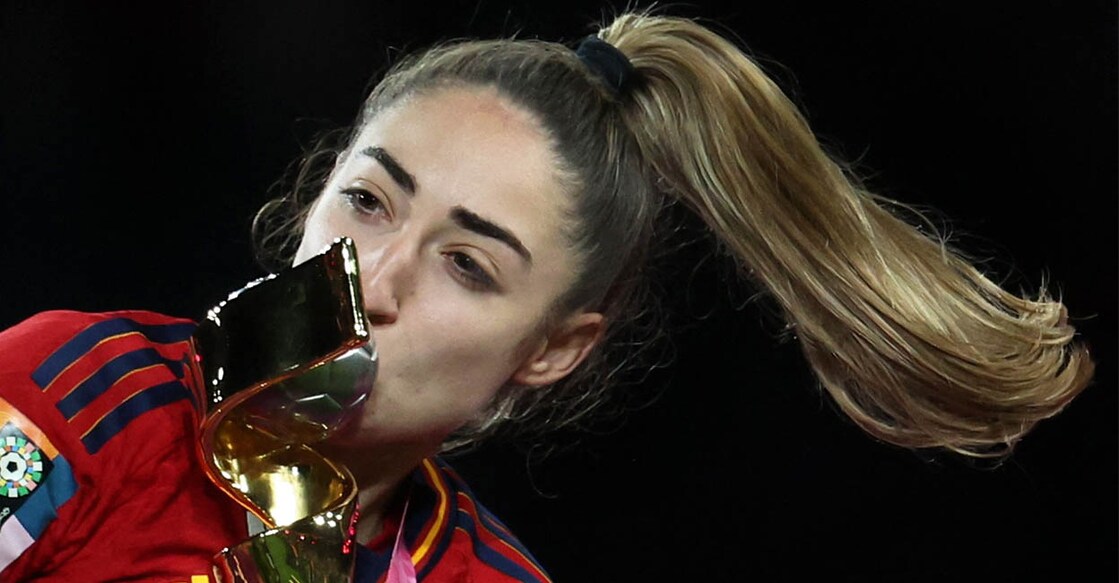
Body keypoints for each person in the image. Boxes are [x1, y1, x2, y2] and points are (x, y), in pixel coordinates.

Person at [0, 8, 1097, 582]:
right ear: (314, 189)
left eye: (468, 265)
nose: (373, 281)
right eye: (371, 201)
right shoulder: (71, 395)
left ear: (554, 349)